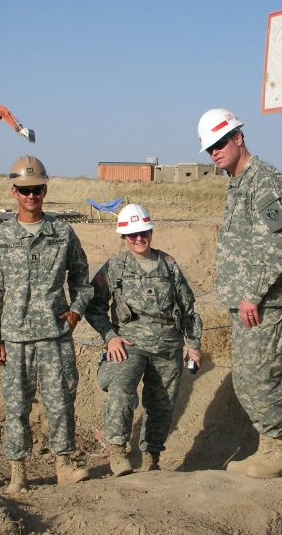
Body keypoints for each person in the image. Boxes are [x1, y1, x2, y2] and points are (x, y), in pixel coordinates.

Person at [0, 155, 94, 495]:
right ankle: (18, 472)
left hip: (55, 334)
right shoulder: (0, 237)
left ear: (45, 190)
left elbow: (82, 278)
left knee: (61, 401)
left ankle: (64, 465)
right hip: (15, 338)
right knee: (16, 407)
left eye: (38, 189)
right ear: (14, 192)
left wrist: (76, 309)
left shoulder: (61, 232)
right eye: (26, 190)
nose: (32, 196)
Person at [198, 108, 282, 478]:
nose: (215, 152)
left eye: (221, 143)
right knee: (247, 378)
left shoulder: (265, 181)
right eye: (210, 148)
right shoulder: (238, 182)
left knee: (259, 376)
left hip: (262, 302)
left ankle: (281, 449)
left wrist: (252, 294)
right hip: (246, 301)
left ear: (238, 138)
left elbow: (276, 244)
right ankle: (270, 446)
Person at [84, 204, 203, 476]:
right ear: (124, 238)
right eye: (132, 234)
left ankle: (151, 459)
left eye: (143, 233)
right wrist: (110, 336)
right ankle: (117, 453)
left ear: (151, 232)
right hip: (129, 345)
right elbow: (94, 305)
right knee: (121, 391)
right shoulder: (114, 267)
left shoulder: (169, 265)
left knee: (161, 405)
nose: (139, 239)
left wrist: (193, 345)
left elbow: (187, 308)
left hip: (167, 346)